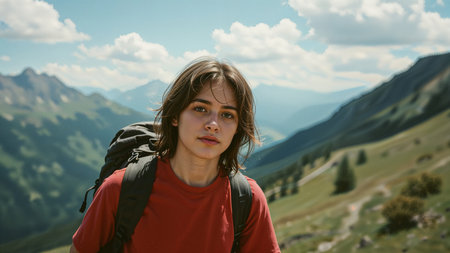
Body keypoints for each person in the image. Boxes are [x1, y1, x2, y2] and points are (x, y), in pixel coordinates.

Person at [70, 57, 281, 253]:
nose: (213, 124)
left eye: (227, 115)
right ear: (174, 117)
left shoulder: (248, 200)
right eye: (200, 108)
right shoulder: (120, 188)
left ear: (237, 128)